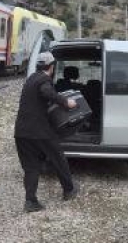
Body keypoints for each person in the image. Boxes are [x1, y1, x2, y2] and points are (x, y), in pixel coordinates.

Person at [14, 51, 78, 213]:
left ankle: (30, 201)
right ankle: (69, 190)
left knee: (31, 166)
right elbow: (46, 92)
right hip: (39, 131)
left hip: (21, 131)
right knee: (58, 157)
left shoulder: (31, 79)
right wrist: (66, 102)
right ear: (51, 67)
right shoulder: (44, 80)